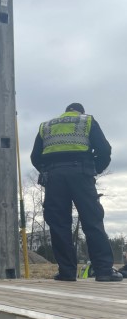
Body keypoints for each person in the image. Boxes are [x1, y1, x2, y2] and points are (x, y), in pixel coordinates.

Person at [30, 103, 123, 282]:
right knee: (92, 221)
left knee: (59, 225)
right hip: (81, 174)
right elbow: (104, 150)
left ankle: (66, 272)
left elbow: (35, 157)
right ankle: (103, 270)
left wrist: (47, 170)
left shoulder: (47, 125)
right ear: (81, 111)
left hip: (54, 177)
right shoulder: (87, 121)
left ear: (66, 111)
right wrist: (95, 169)